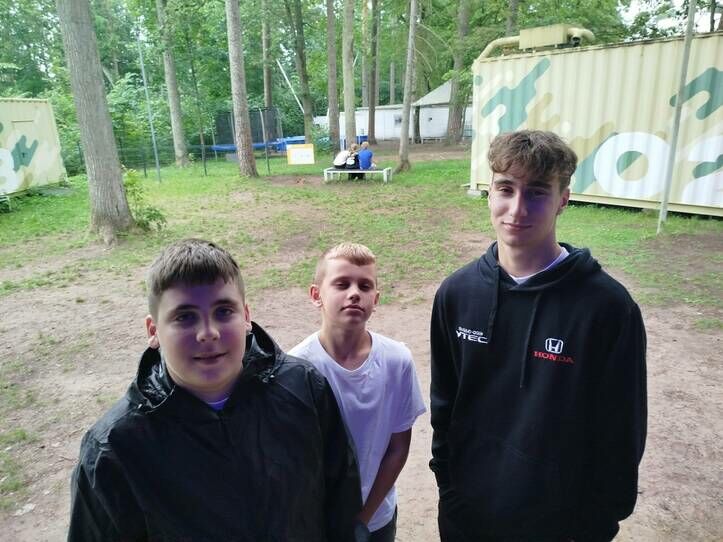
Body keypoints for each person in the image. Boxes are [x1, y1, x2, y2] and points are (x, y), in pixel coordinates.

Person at [68, 239, 366, 542]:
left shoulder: (304, 387)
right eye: (184, 317)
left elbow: (342, 501)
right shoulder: (116, 447)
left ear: (246, 316)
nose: (208, 333)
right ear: (154, 330)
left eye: (223, 311)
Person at [430, 130, 647, 541]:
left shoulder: (607, 308)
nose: (517, 208)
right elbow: (445, 407)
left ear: (564, 198)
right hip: (466, 518)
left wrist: (596, 525)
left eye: (537, 192)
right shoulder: (456, 294)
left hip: (560, 526)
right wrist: (449, 490)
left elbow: (621, 432)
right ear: (489, 192)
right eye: (506, 189)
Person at [290, 242, 426, 542]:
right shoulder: (296, 367)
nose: (354, 293)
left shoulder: (397, 361)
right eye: (342, 284)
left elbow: (398, 448)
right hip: (316, 521)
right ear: (316, 295)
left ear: (375, 299)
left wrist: (362, 519)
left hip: (376, 519)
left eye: (364, 286)